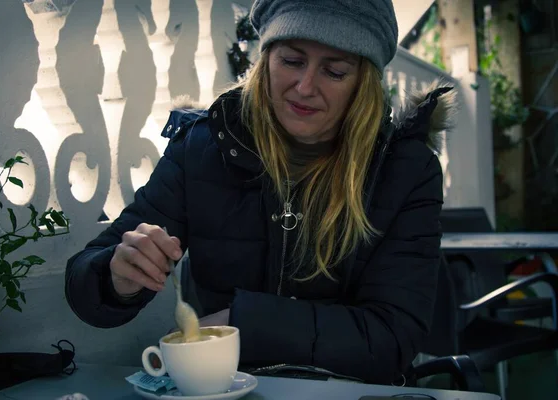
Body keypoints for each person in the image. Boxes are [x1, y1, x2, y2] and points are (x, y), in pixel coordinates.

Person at [65, 0, 455, 384]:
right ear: (265, 58)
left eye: (334, 71)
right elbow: (87, 282)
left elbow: (391, 339)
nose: (305, 87)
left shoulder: (405, 170)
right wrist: (118, 277)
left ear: (363, 83)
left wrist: (244, 323)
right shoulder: (202, 147)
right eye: (291, 61)